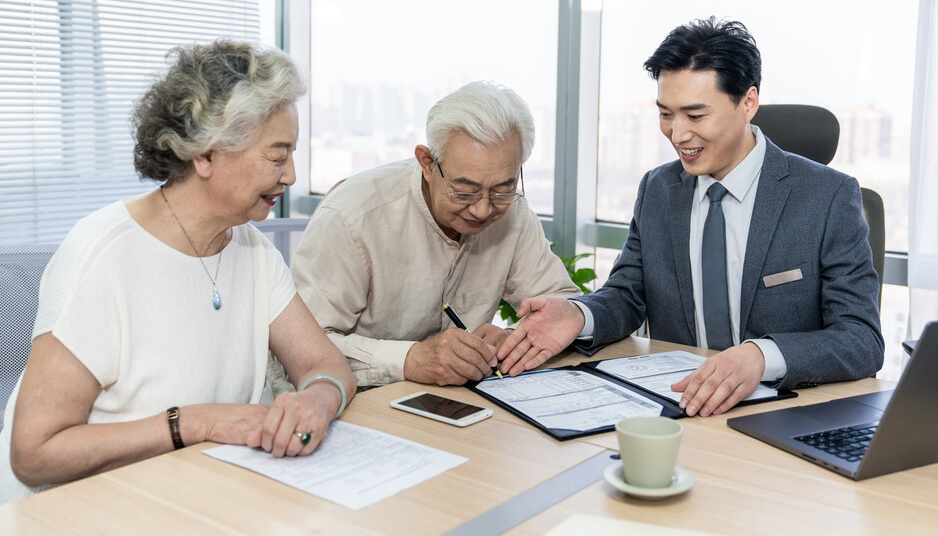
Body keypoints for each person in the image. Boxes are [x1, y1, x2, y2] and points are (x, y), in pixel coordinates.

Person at [0, 41, 356, 504]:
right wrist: (195, 422)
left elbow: (323, 365)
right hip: (75, 510)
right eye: (276, 155)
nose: (290, 175)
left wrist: (315, 402)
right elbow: (34, 454)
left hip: (187, 498)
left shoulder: (251, 247)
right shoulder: (102, 257)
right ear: (205, 154)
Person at [498, 17, 884, 416]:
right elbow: (628, 295)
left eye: (695, 116)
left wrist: (759, 356)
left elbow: (860, 339)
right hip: (682, 408)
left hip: (783, 413)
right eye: (666, 114)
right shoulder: (659, 190)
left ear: (748, 102)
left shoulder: (827, 197)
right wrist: (579, 315)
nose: (677, 134)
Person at [291, 81, 579, 388]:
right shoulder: (354, 216)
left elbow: (560, 305)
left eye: (502, 188)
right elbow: (300, 347)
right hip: (353, 403)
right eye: (465, 190)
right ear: (427, 164)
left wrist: (512, 341)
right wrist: (410, 360)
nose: (482, 210)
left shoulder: (514, 215)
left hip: (458, 407)